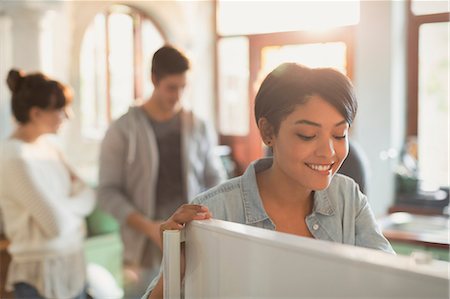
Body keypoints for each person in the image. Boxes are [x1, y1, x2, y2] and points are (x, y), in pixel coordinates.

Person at [144, 63, 395, 299]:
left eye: (340, 134)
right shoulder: (213, 213)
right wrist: (174, 268)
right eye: (307, 135)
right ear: (267, 132)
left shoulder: (348, 198)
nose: (328, 152)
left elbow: (393, 284)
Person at [98, 45, 226, 297]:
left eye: (183, 87)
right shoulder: (122, 129)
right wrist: (150, 227)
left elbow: (214, 178)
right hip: (143, 250)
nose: (177, 95)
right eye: (171, 87)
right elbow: (107, 193)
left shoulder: (198, 126)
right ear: (154, 80)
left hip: (193, 241)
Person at [0, 69, 96, 299]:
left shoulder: (51, 147)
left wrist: (61, 207)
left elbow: (89, 195)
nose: (68, 116)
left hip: (73, 269)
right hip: (39, 281)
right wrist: (71, 208)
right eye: (61, 109)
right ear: (36, 113)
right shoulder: (13, 156)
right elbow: (56, 225)